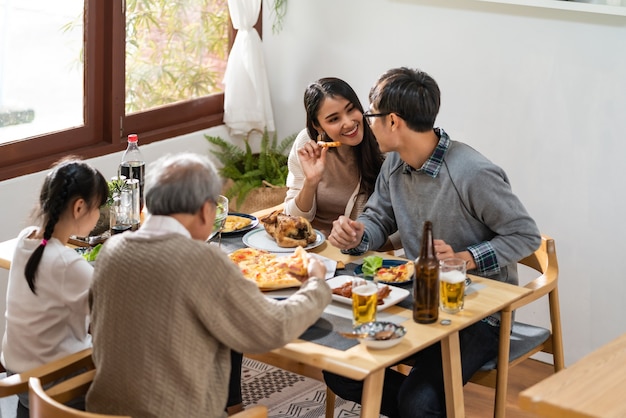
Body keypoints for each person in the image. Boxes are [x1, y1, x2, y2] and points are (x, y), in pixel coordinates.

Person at [324, 67, 541, 418]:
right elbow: (378, 219)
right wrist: (358, 234)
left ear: (393, 121)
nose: (367, 123)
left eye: (371, 115)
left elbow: (525, 235)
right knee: (340, 368)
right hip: (417, 300)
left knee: (419, 402)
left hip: (478, 315)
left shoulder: (471, 172)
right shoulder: (394, 163)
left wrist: (464, 259)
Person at [86, 152, 332, 418]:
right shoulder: (203, 260)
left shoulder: (112, 250)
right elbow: (274, 327)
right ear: (206, 211)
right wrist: (316, 285)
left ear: (146, 205)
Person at [1, 158, 109, 417]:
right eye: (99, 209)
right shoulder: (67, 264)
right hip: (51, 378)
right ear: (80, 207)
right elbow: (109, 318)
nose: (99, 217)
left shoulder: (26, 238)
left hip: (19, 373)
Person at [284, 77, 384, 238]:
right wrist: (310, 182)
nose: (349, 123)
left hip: (359, 250)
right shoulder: (307, 144)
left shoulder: (382, 143)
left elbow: (392, 220)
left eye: (351, 109)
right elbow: (292, 218)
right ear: (318, 125)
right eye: (334, 119)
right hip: (309, 246)